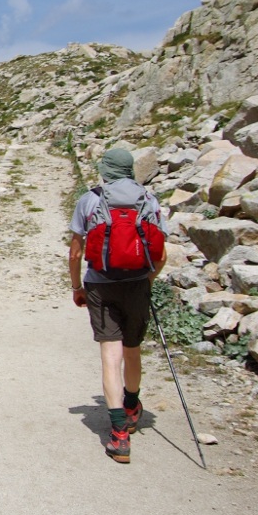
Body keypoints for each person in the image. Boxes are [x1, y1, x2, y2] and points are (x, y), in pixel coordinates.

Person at [68, 148, 167, 464]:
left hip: (100, 283)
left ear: (105, 171)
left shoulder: (90, 200)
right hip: (137, 283)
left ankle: (119, 436)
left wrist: (77, 287)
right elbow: (162, 253)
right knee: (132, 349)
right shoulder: (148, 201)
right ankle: (132, 406)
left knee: (111, 355)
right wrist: (148, 280)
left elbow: (75, 253)